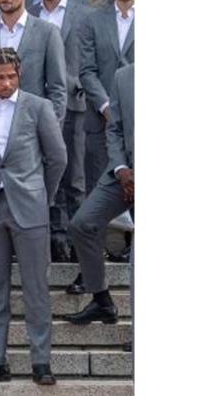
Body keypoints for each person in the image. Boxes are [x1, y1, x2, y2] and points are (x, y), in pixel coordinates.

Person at [0, 48, 67, 385]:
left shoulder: (38, 107)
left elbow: (57, 158)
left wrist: (41, 194)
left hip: (30, 207)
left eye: (11, 76)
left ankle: (41, 361)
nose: (6, 83)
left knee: (36, 289)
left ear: (19, 75)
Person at [27, 0, 91, 263]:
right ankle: (50, 238)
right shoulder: (28, 10)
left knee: (74, 179)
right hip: (36, 104)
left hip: (74, 105)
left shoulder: (82, 12)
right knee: (41, 174)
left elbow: (88, 57)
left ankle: (78, 245)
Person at [66, 63, 133, 328]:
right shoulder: (123, 76)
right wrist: (121, 169)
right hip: (122, 173)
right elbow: (114, 128)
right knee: (83, 223)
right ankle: (102, 300)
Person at [78, 0, 134, 200]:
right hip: (100, 122)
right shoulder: (92, 20)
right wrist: (106, 107)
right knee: (99, 192)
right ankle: (100, 242)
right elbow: (87, 70)